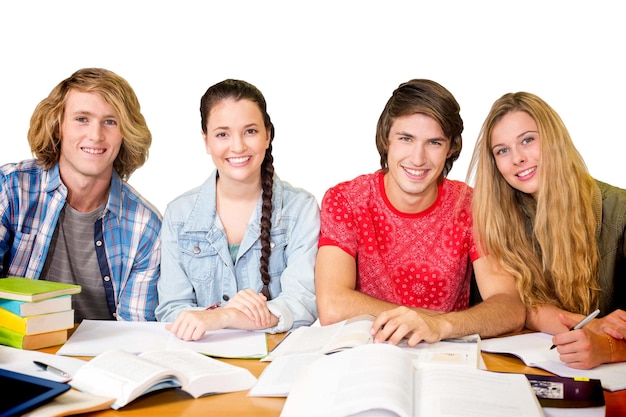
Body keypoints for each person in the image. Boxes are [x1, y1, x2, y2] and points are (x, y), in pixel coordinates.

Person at [315, 79, 525, 346]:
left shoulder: (471, 206)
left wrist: (440, 325)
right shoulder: (345, 200)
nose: (417, 158)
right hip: (368, 355)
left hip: (445, 353)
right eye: (406, 139)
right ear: (385, 140)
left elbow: (510, 308)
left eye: (434, 143)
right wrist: (419, 319)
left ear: (451, 148)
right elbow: (332, 306)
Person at [468, 91, 626, 369]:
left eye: (527, 140)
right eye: (502, 150)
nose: (517, 158)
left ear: (553, 139)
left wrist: (609, 348)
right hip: (527, 369)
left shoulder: (620, 211)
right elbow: (511, 307)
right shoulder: (496, 220)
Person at [155, 79, 319, 340]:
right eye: (222, 134)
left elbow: (302, 304)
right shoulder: (179, 215)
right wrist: (219, 317)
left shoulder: (300, 209)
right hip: (199, 357)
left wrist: (227, 317)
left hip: (275, 361)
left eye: (250, 131)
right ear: (206, 140)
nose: (238, 146)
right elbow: (171, 308)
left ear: (268, 135)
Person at [0, 68, 161, 322]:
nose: (96, 135)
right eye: (82, 119)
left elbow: (136, 332)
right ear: (58, 125)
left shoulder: (145, 227)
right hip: (15, 353)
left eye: (110, 121)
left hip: (101, 358)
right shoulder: (11, 189)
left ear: (125, 134)